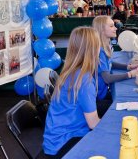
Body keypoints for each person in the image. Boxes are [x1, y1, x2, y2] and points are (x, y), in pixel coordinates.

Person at [43, 27, 101, 158]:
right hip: (64, 145)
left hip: (55, 141)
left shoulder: (71, 71)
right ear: (93, 48)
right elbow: (93, 123)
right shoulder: (84, 80)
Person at [92, 16, 138, 117]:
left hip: (102, 94)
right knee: (126, 111)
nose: (116, 28)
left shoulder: (105, 45)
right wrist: (130, 74)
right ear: (102, 30)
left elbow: (109, 63)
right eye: (111, 26)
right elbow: (107, 78)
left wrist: (127, 67)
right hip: (97, 100)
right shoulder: (99, 50)